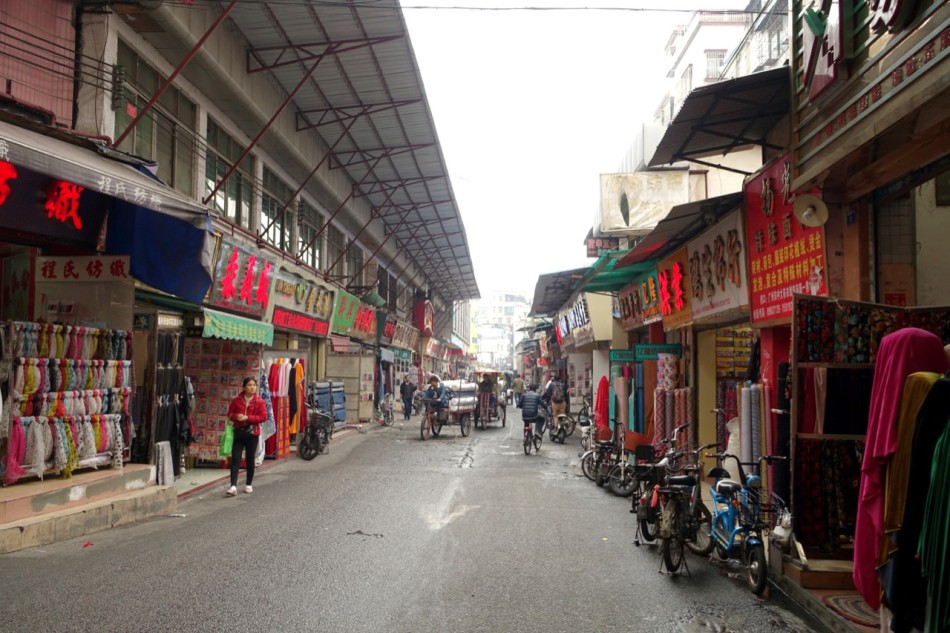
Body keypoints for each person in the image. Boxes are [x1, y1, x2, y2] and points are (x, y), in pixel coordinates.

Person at [225, 377, 268, 496]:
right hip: (238, 432)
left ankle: (248, 484)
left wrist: (248, 418)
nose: (252, 387)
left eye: (254, 385)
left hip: (252, 434)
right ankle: (233, 486)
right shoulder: (236, 400)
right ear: (244, 387)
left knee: (250, 460)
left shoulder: (259, 401)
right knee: (235, 459)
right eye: (249, 385)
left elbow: (263, 417)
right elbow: (230, 414)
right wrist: (236, 417)